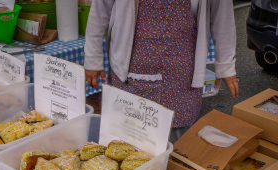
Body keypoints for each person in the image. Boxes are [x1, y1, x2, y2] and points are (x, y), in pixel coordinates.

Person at [84, 0, 239, 143]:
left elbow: (222, 15)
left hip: (181, 74)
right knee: (124, 136)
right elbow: (100, 9)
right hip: (128, 70)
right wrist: (92, 57)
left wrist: (225, 65)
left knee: (174, 141)